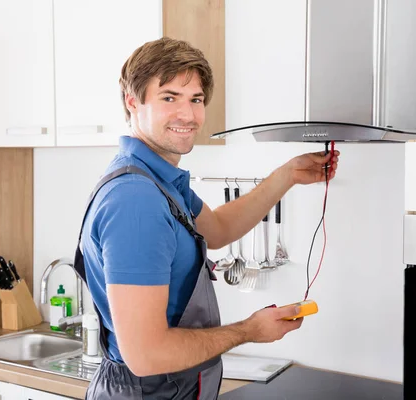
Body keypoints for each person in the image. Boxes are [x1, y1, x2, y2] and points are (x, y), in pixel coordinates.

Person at [72, 37, 340, 399]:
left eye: (195, 99)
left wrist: (288, 174)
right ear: (133, 102)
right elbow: (147, 355)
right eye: (169, 98)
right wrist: (248, 330)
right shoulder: (136, 200)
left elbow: (218, 229)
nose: (188, 115)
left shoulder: (158, 179)